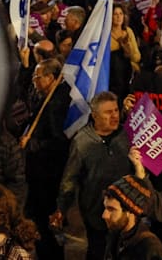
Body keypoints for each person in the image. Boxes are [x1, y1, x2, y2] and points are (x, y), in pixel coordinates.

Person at [53, 92, 132, 260]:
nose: (114, 116)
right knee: (98, 251)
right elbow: (70, 178)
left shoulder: (128, 135)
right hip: (96, 211)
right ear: (94, 115)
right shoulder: (82, 141)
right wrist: (62, 208)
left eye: (116, 110)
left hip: (125, 210)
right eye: (108, 112)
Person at [21, 58, 72, 260]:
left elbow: (59, 142)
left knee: (44, 220)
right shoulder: (46, 97)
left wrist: (32, 143)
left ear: (51, 78)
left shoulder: (56, 103)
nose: (34, 80)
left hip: (48, 175)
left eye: (38, 76)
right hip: (41, 172)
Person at [102, 176, 162, 260]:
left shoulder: (150, 247)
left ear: (130, 211)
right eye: (105, 208)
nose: (104, 215)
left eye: (111, 209)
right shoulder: (115, 234)